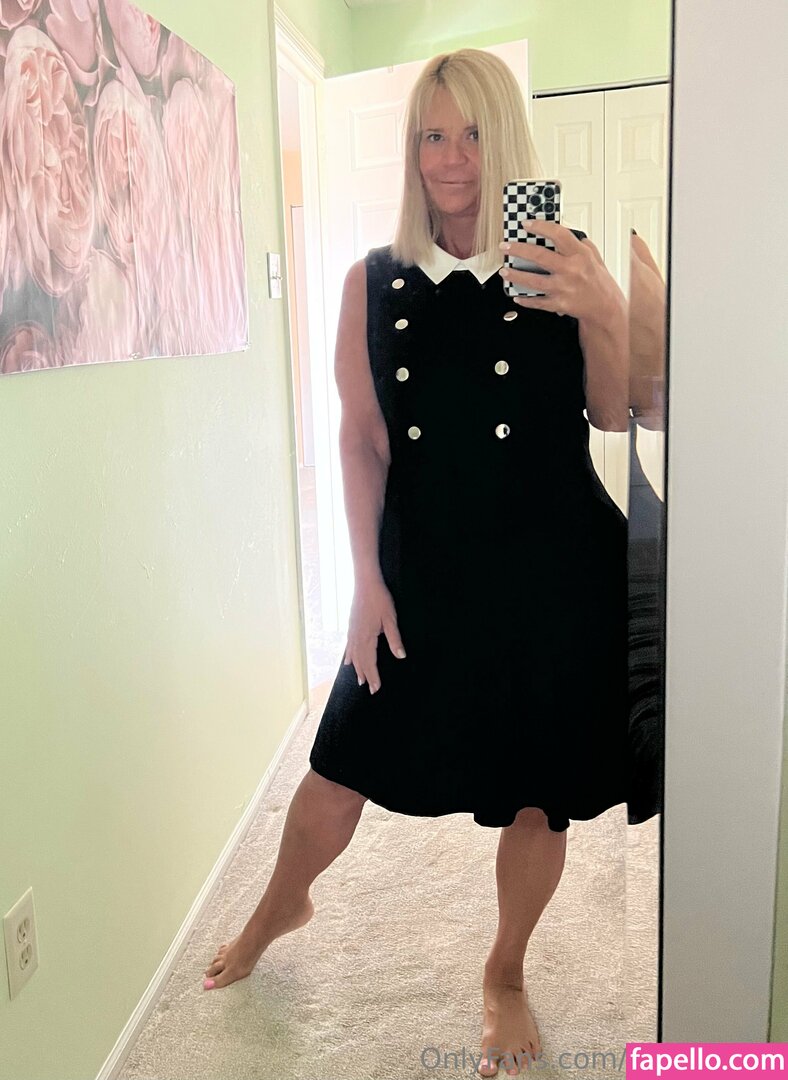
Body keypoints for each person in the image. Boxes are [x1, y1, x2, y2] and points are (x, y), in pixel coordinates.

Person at [204, 48, 635, 1078]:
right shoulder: (372, 278)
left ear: (506, 140)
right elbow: (360, 440)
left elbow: (613, 412)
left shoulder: (563, 259)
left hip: (551, 571)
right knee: (339, 763)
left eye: (473, 134)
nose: (450, 158)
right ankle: (278, 907)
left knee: (536, 793)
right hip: (420, 568)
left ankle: (504, 973)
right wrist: (364, 583)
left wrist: (604, 307)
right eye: (431, 135)